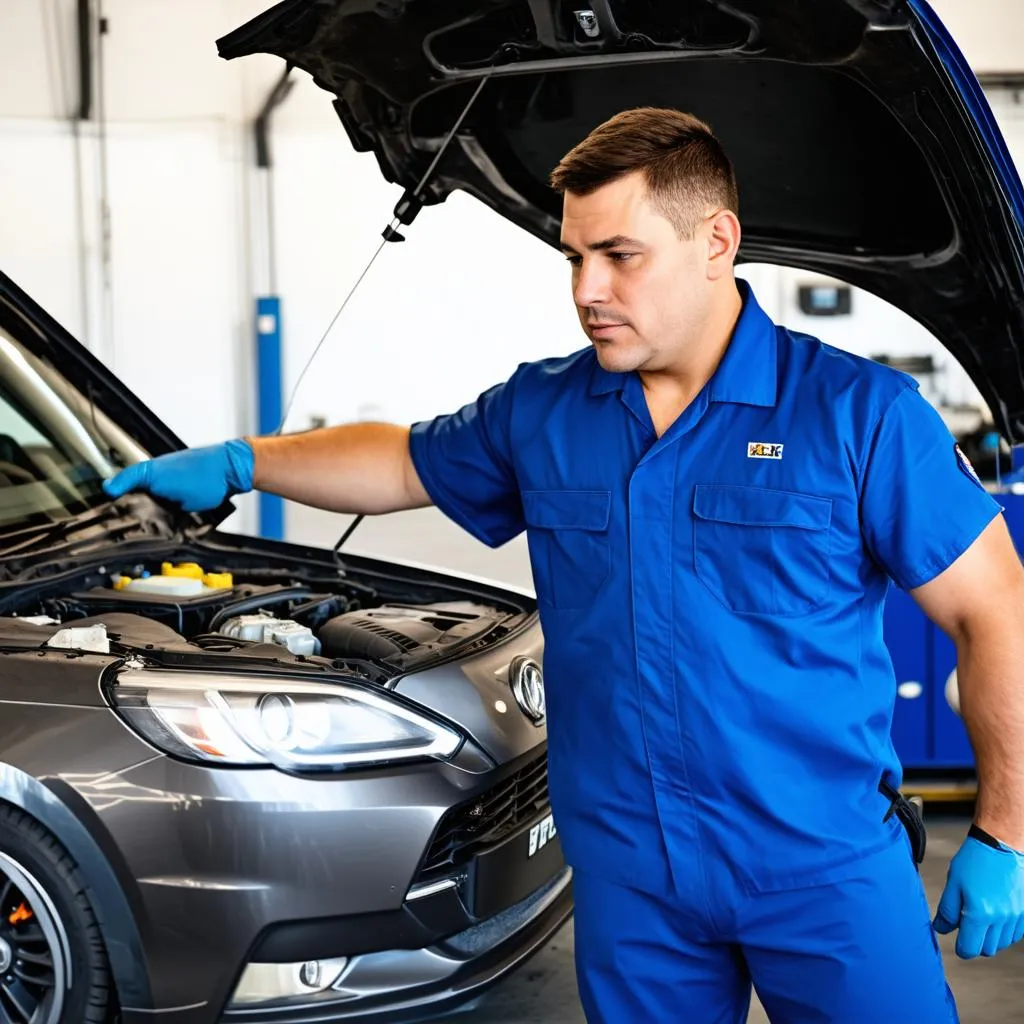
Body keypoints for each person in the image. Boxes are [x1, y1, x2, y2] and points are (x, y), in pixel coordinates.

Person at [105, 108, 1024, 1023]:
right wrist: (242, 460)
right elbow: (399, 462)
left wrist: (1005, 831)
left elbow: (995, 612)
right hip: (631, 876)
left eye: (620, 255)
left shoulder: (859, 416)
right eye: (574, 257)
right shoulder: (547, 410)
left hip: (821, 869)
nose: (587, 289)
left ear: (717, 242)